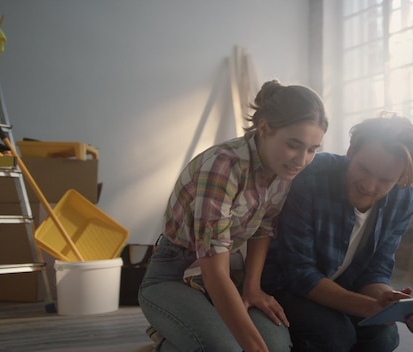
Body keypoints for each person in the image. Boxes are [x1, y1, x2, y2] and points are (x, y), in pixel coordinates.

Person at [138, 79, 328, 352]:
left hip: (227, 276)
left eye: (312, 150)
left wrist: (252, 288)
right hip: (173, 274)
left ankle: (184, 336)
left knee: (275, 347)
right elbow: (214, 272)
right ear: (264, 128)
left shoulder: (283, 168)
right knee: (230, 349)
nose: (301, 160)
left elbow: (263, 227)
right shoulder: (223, 166)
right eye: (294, 145)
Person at [261, 114, 413, 352]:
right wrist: (368, 307)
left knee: (384, 336)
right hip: (283, 284)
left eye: (384, 180)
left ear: (398, 179)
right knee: (334, 335)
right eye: (363, 169)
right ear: (351, 150)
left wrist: (392, 302)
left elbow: (375, 270)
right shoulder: (312, 176)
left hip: (343, 286)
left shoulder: (403, 197)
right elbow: (299, 273)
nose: (368, 186)